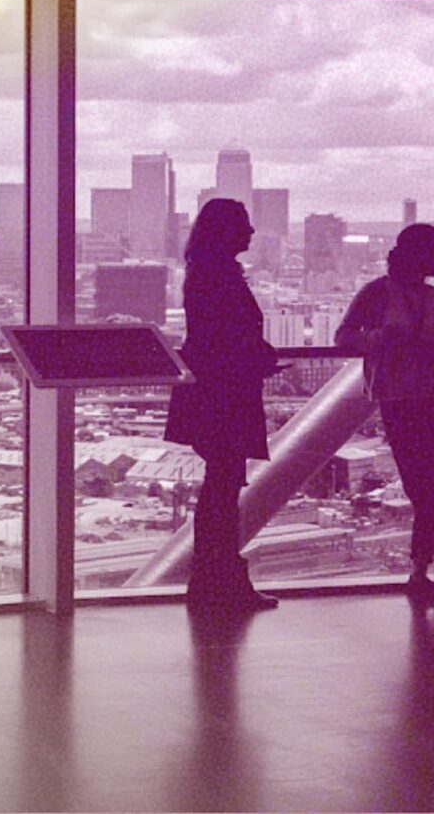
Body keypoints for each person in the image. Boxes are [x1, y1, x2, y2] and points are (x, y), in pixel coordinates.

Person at [335, 223, 434, 595]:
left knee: (427, 490)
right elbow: (343, 338)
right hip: (412, 400)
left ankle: (422, 570)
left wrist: (408, 345)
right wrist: (381, 338)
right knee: (423, 490)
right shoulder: (378, 293)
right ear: (420, 256)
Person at [164, 198, 281, 613]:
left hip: (212, 390)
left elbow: (211, 336)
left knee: (220, 486)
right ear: (226, 232)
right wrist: (257, 356)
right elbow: (227, 336)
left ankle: (210, 579)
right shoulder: (221, 276)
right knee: (223, 489)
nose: (251, 232)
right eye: (243, 224)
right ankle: (223, 580)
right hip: (227, 392)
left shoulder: (203, 273)